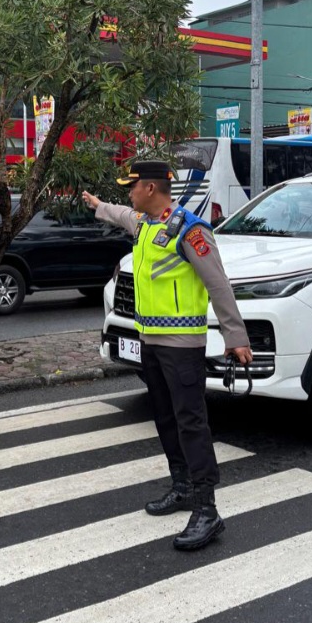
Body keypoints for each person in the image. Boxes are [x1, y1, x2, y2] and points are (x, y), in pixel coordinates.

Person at [82, 160, 253, 551]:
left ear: (149, 189)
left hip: (181, 346)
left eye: (132, 187)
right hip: (152, 344)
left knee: (191, 423)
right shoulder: (146, 224)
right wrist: (97, 203)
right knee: (165, 419)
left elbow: (218, 283)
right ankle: (183, 487)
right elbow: (121, 213)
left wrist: (235, 335)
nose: (129, 194)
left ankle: (208, 509)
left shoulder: (190, 231)